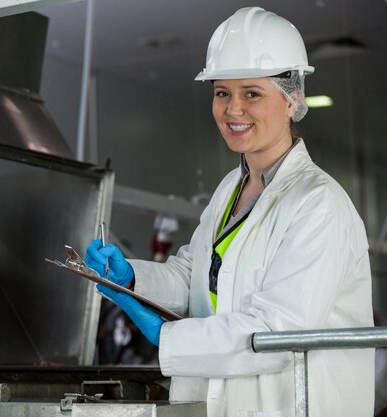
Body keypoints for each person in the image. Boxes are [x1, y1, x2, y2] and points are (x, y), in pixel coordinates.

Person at [85, 7, 374, 417]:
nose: (232, 109)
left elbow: (278, 333)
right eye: (222, 92)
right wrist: (135, 277)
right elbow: (195, 278)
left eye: (251, 93)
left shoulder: (319, 203)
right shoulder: (229, 190)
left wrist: (168, 336)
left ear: (291, 99)